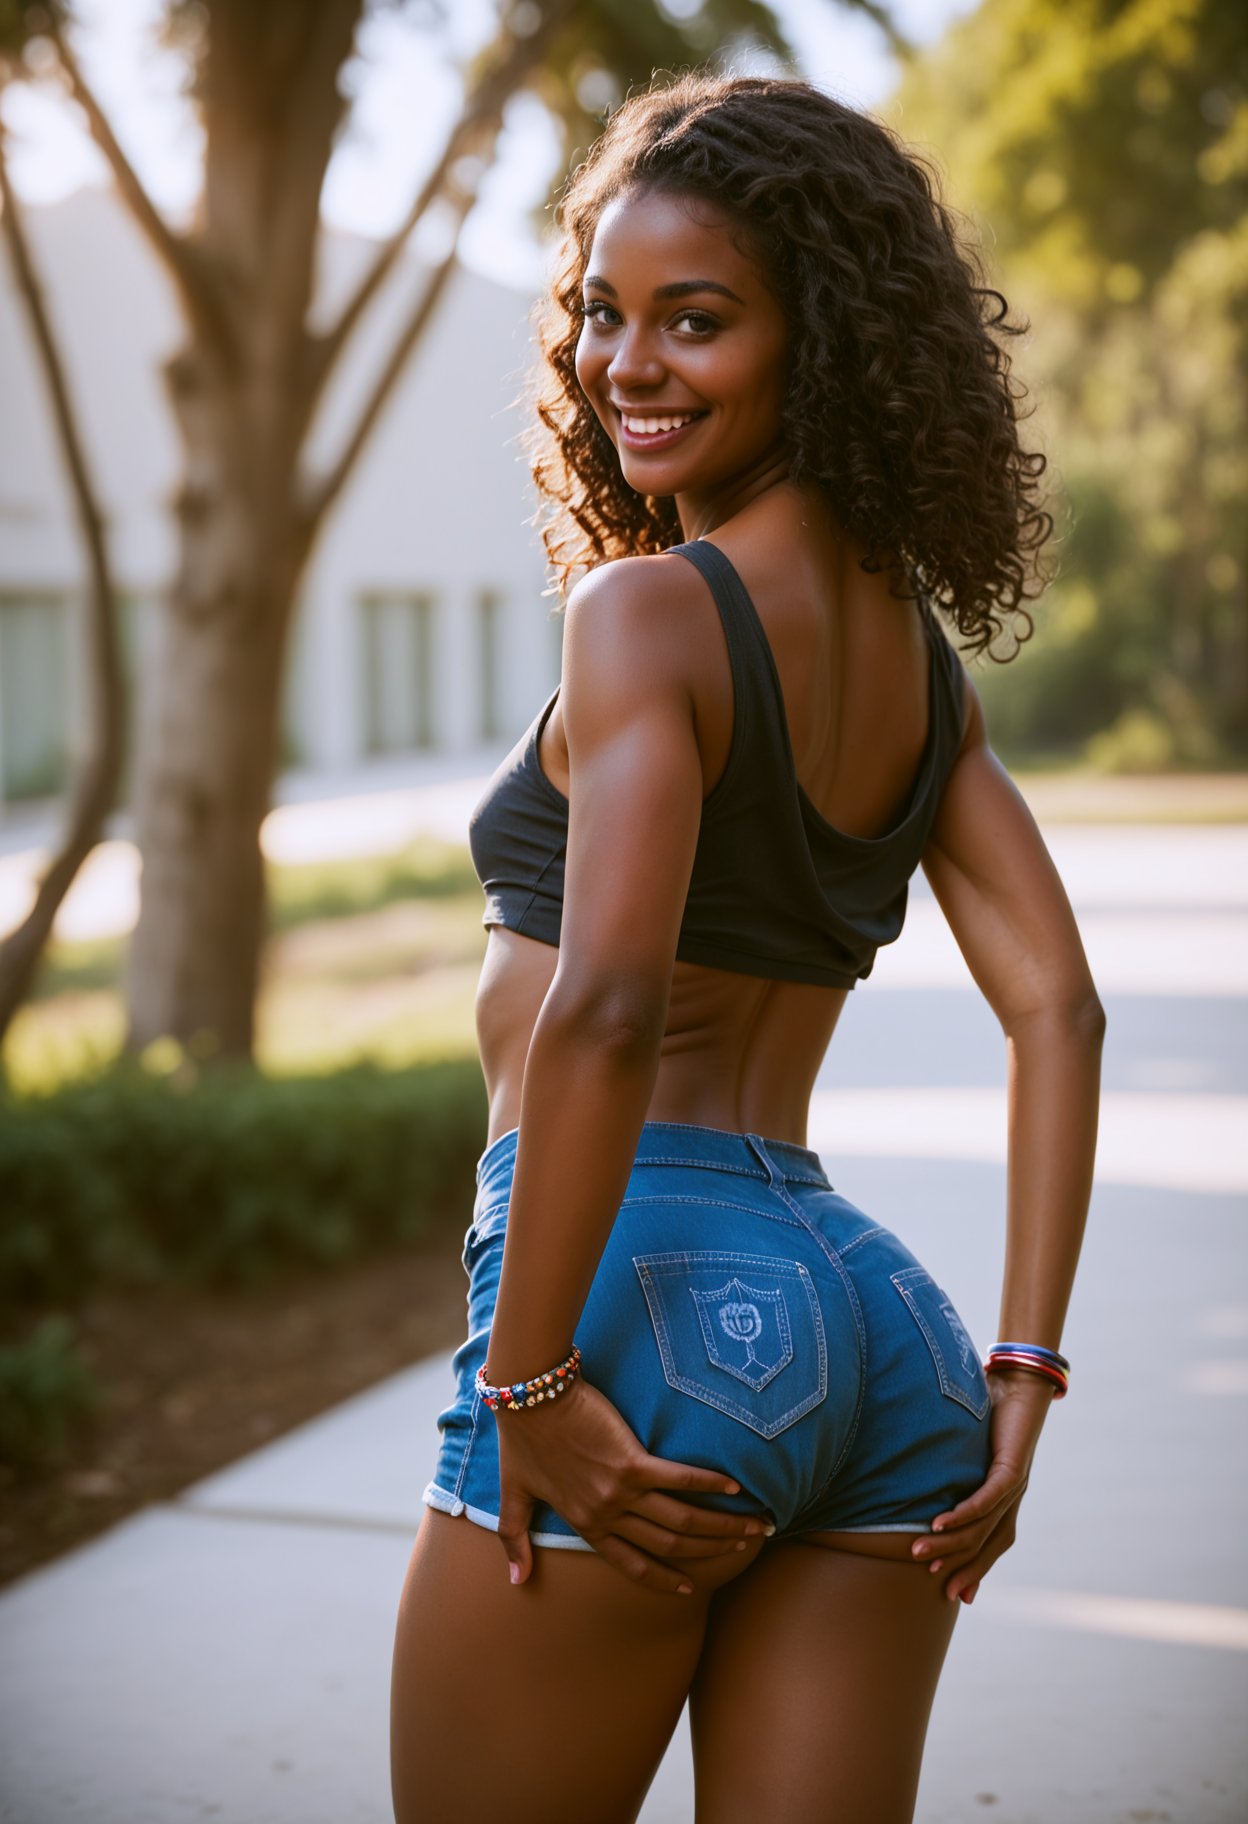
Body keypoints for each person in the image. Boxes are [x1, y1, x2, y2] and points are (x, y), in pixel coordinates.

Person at [389, 68, 1104, 1824]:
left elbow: (607, 1005)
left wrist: (532, 1373)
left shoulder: (649, 613)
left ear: (824, 344)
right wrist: (1020, 1374)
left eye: (694, 322)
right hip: (877, 1330)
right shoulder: (920, 673)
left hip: (632, 1303)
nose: (626, 365)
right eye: (599, 315)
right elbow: (1061, 1012)